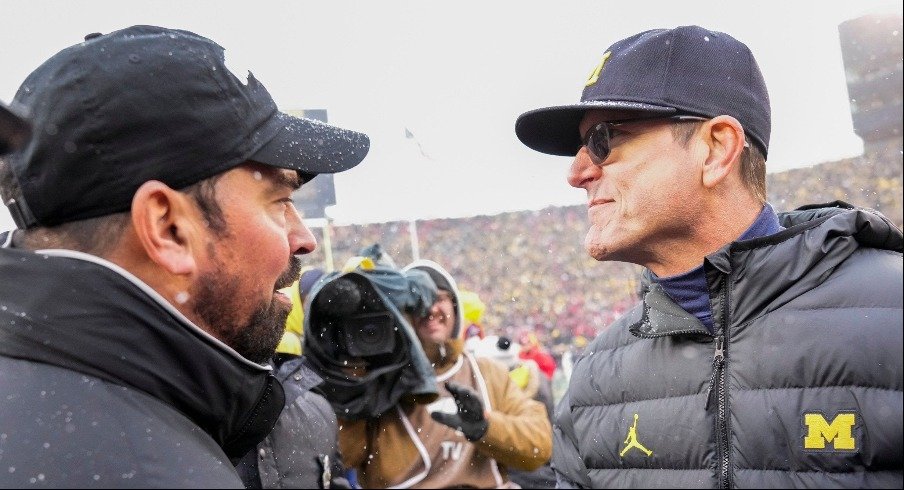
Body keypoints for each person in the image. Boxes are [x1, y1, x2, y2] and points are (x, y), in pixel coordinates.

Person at [515, 25, 903, 488]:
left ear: (717, 148)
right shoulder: (596, 378)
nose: (577, 173)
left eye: (603, 139)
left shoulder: (893, 317)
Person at [0, 25, 369, 488]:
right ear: (168, 228)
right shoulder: (153, 467)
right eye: (277, 201)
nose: (302, 238)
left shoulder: (72, 413)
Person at [336, 259, 552, 488]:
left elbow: (539, 445)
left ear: (455, 307)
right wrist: (352, 389)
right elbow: (346, 457)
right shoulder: (378, 379)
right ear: (402, 315)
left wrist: (485, 428)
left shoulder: (487, 373)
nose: (430, 309)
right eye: (418, 300)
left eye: (439, 298)